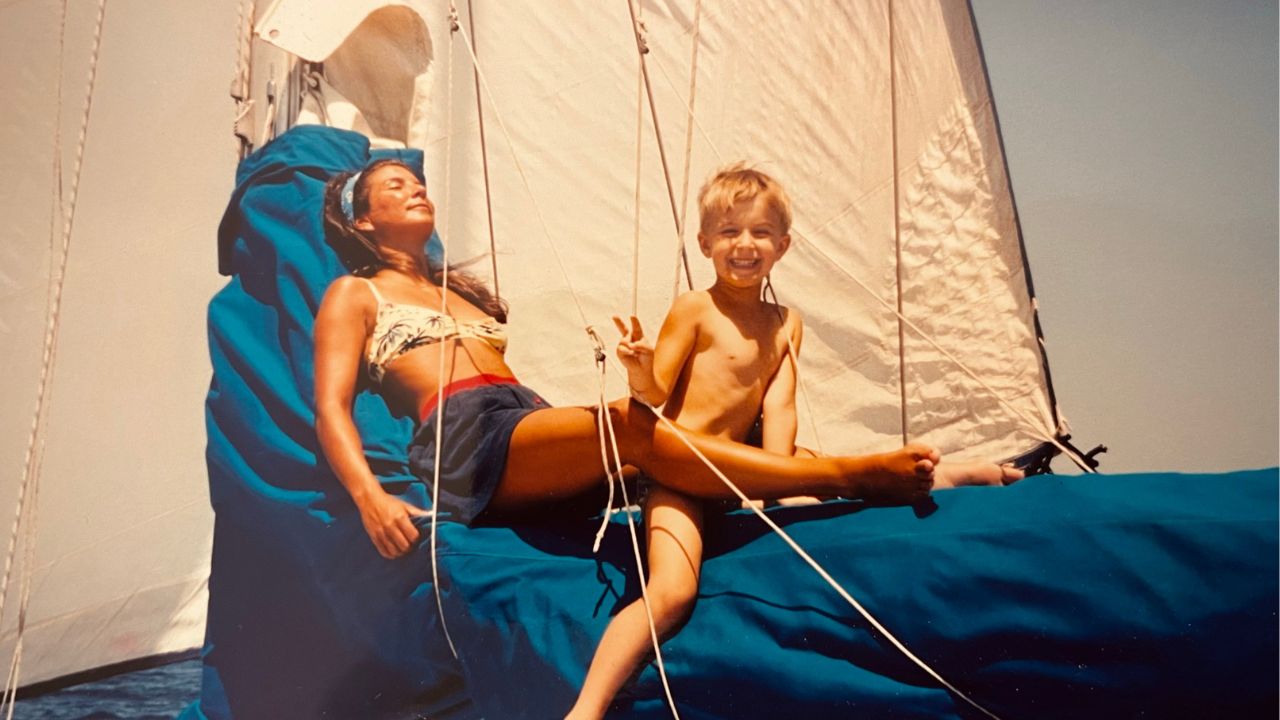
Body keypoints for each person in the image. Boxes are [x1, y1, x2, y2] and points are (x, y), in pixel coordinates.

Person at [313, 158, 941, 563]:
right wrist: (371, 498)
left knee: (683, 439)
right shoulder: (355, 293)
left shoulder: (457, 294)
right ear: (365, 220)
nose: (417, 187)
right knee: (631, 424)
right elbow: (329, 407)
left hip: (523, 420)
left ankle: (953, 473)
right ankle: (845, 478)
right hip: (468, 437)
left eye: (418, 180)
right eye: (396, 185)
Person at [567, 164, 1022, 720]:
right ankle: (585, 710)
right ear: (705, 242)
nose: (745, 244)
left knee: (822, 484)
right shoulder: (694, 308)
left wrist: (775, 482)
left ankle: (952, 472)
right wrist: (638, 369)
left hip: (745, 468)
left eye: (760, 233)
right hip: (683, 475)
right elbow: (655, 395)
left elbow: (778, 406)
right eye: (730, 232)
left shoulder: (786, 322)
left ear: (782, 245)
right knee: (672, 593)